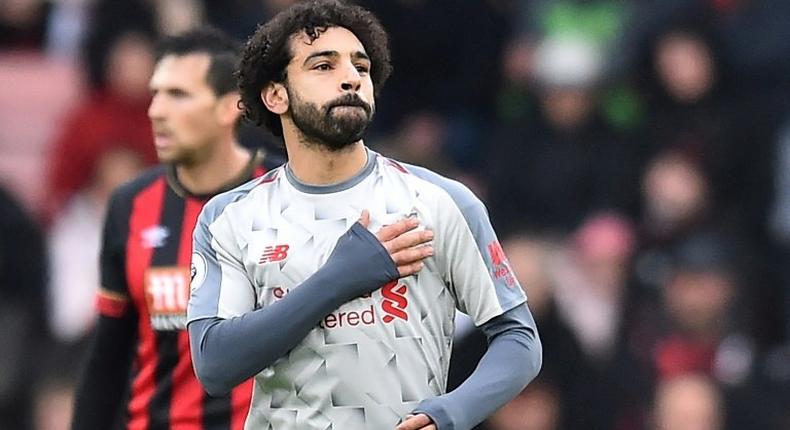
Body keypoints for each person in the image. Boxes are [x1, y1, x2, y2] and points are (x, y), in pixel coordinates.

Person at [186, 2, 543, 429]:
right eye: (323, 65)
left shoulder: (440, 201)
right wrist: (340, 278)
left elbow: (518, 339)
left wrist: (450, 412)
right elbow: (215, 363)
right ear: (275, 94)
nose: (351, 77)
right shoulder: (231, 217)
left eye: (362, 66)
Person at [70, 27, 282, 430]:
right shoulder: (130, 204)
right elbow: (108, 356)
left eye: (178, 95)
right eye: (156, 93)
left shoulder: (286, 193)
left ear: (229, 107)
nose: (156, 111)